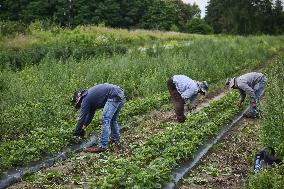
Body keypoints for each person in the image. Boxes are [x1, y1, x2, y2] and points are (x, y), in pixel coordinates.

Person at [71, 83, 125, 153]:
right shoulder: (89, 98)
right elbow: (90, 115)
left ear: (78, 99)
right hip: (119, 93)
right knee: (112, 120)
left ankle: (102, 146)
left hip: (113, 95)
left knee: (105, 119)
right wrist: (83, 127)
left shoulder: (85, 100)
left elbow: (81, 117)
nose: (79, 106)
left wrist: (77, 132)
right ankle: (115, 140)